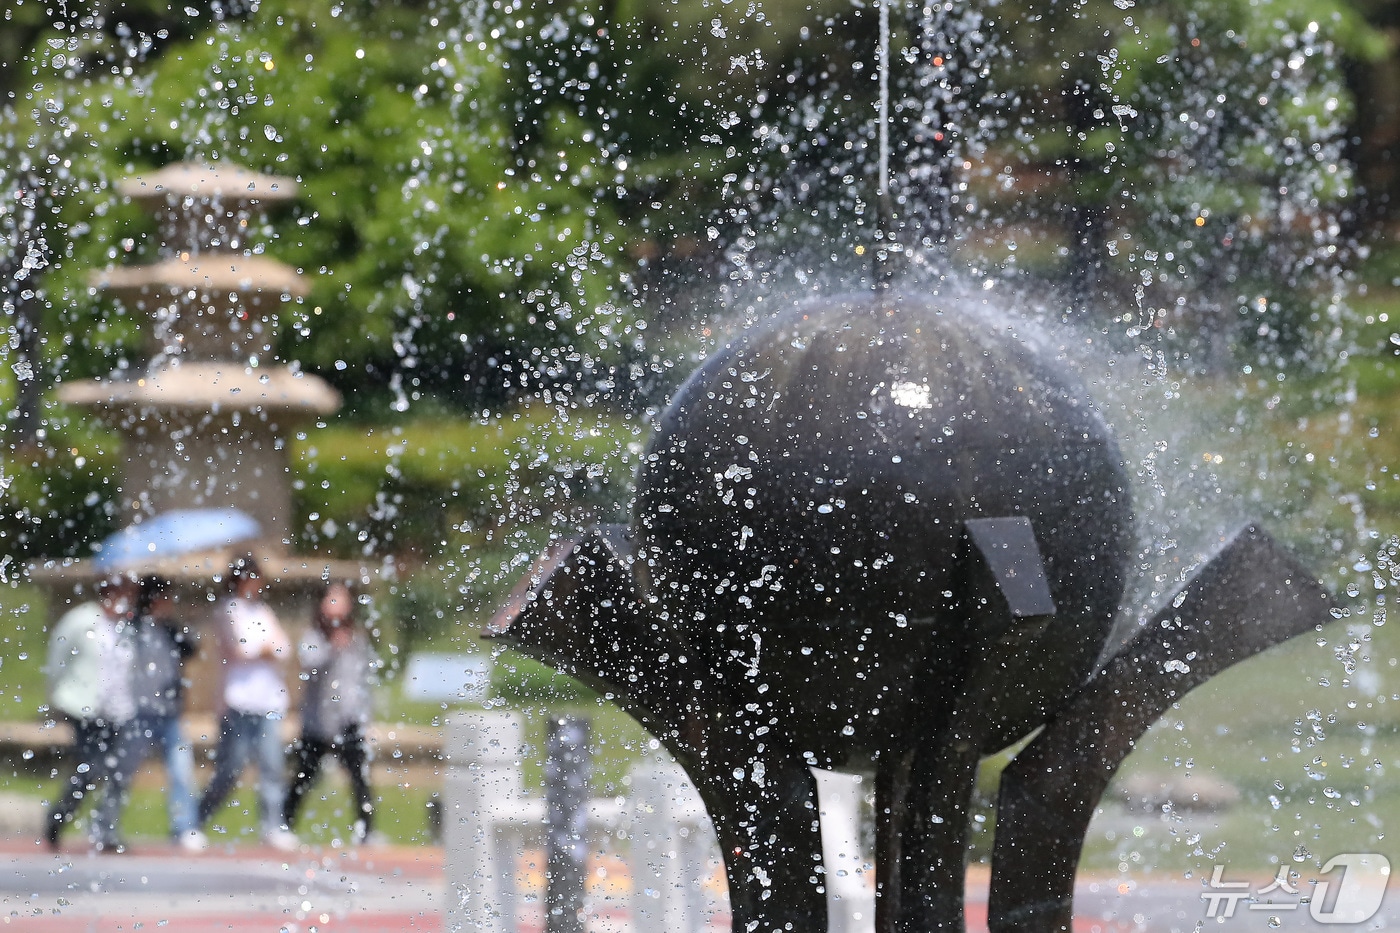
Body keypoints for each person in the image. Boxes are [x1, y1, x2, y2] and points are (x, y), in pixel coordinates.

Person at [196, 555, 299, 851]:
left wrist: (266, 649)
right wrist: (266, 649)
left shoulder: (264, 611)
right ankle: (197, 818)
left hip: (268, 701)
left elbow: (283, 647)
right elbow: (242, 649)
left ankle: (272, 824)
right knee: (231, 768)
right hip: (238, 701)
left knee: (272, 765)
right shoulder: (228, 611)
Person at [44, 575, 140, 852]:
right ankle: (58, 817)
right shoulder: (82, 620)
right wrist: (56, 694)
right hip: (83, 707)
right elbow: (57, 657)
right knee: (90, 768)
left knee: (119, 772)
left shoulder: (126, 627)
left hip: (118, 710)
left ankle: (106, 831)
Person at [283, 581, 379, 844]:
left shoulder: (356, 638)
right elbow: (309, 666)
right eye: (332, 599)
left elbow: (362, 677)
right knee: (304, 775)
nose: (337, 606)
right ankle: (284, 824)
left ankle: (367, 831)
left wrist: (365, 712)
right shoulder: (313, 637)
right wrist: (332, 648)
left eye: (342, 600)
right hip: (319, 720)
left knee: (359, 777)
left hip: (349, 718)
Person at [127, 577, 206, 851]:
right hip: (138, 713)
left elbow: (193, 648)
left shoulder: (170, 629)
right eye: (165, 597)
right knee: (122, 771)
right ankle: (103, 823)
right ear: (152, 599)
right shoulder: (133, 628)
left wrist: (180, 622)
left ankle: (185, 827)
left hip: (169, 714)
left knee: (182, 772)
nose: (169, 603)